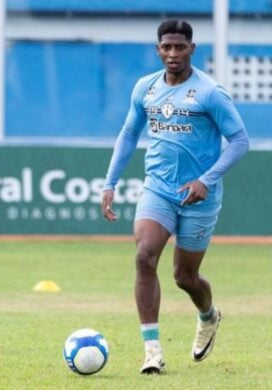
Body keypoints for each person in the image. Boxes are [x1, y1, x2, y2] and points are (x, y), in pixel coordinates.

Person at [101, 19, 249, 375]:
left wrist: (206, 180)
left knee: (185, 277)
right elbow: (128, 135)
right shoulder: (145, 88)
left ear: (192, 49)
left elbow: (240, 141)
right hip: (158, 189)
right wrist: (110, 183)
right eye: (166, 47)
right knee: (144, 255)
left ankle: (208, 315)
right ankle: (152, 351)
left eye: (179, 47)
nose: (172, 54)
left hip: (199, 196)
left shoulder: (210, 92)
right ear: (158, 50)